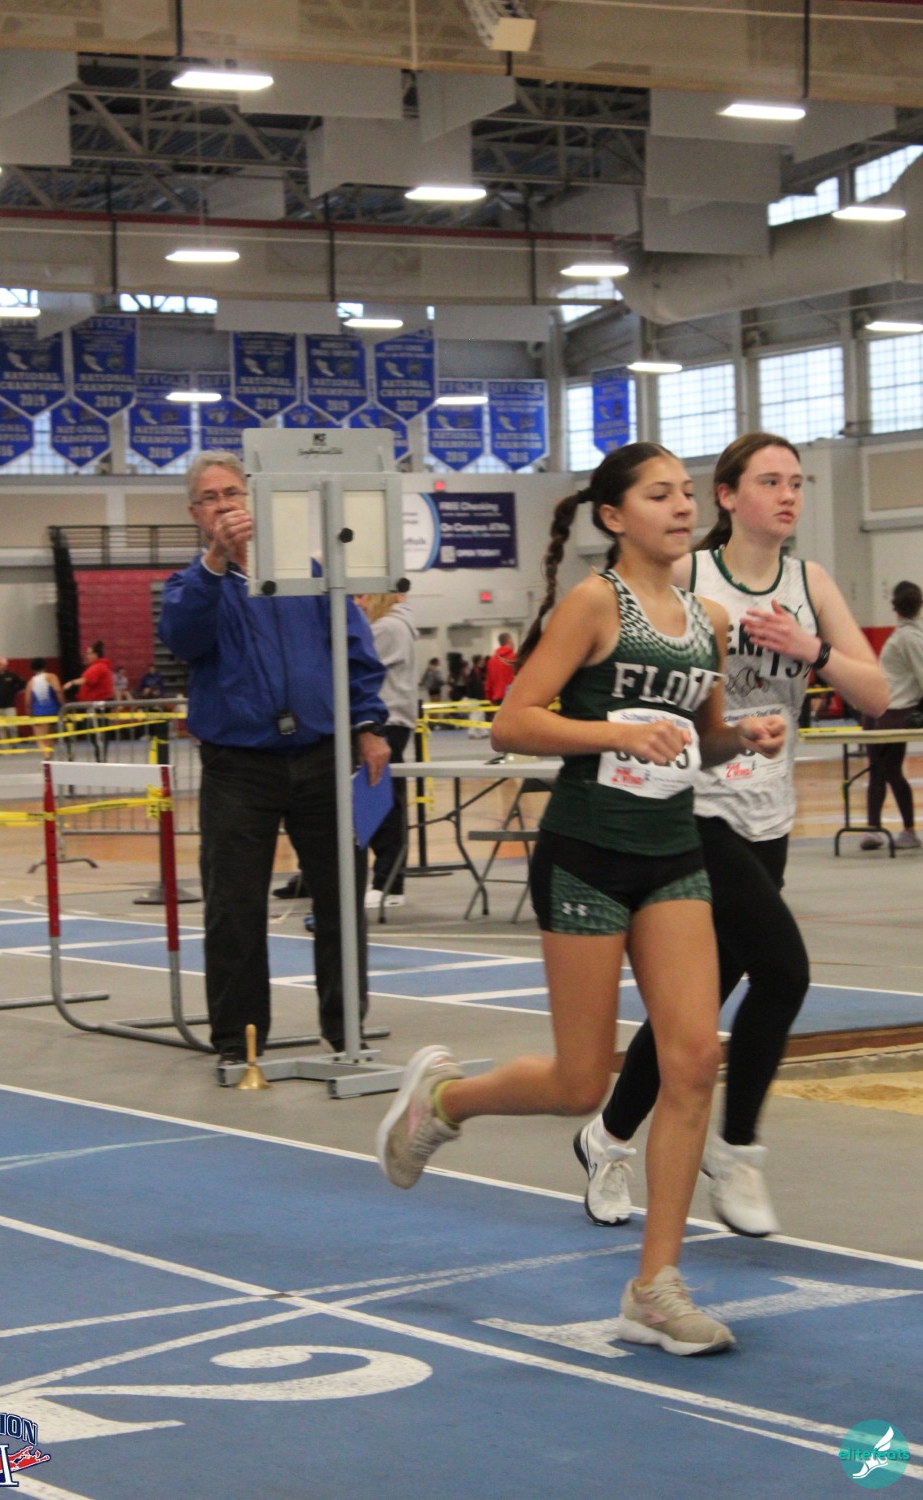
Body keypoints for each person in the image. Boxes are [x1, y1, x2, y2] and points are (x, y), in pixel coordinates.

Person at [376, 442, 786, 1356]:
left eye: (687, 493)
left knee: (692, 1062)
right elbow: (514, 720)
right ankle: (445, 1100)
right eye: (659, 494)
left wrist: (742, 737)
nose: (682, 507)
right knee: (579, 1083)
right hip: (587, 855)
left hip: (673, 855)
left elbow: (700, 739)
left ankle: (655, 1287)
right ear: (613, 515)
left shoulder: (710, 621)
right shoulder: (596, 603)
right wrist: (615, 733)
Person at [575, 432, 889, 1240]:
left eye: (797, 482)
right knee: (784, 971)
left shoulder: (809, 583)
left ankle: (608, 1135)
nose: (788, 496)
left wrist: (812, 650)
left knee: (701, 998)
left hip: (768, 816)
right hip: (693, 808)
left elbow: (878, 694)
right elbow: (625, 663)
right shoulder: (691, 575)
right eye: (770, 481)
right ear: (726, 495)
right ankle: (737, 1150)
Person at [159, 450, 390, 1077]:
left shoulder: (307, 576)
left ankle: (347, 1030)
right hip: (240, 768)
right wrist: (214, 564)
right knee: (234, 905)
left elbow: (353, 650)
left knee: (342, 898)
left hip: (321, 757)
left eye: (232, 492)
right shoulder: (191, 586)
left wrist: (369, 726)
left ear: (254, 498)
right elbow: (183, 638)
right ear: (195, 514)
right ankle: (240, 1042)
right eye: (210, 498)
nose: (224, 505)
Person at [354, 591, 418, 910]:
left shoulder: (386, 628)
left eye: (362, 596)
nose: (357, 603)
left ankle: (389, 883)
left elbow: (353, 665)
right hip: (388, 721)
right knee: (379, 802)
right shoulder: (394, 626)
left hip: (385, 724)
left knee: (384, 806)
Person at [861, 579, 923, 850]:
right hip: (879, 709)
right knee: (878, 770)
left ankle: (909, 831)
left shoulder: (910, 638)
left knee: (890, 771)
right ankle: (873, 828)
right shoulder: (903, 635)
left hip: (896, 712)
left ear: (895, 606)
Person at [64, 642, 115, 761]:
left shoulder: (98, 667)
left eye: (89, 653)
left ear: (96, 654)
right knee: (97, 735)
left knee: (97, 736)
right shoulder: (101, 666)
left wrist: (71, 683)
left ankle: (101, 760)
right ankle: (100, 759)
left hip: (96, 708)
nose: (86, 656)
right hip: (93, 706)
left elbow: (86, 679)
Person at [25, 657, 63, 757]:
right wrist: (63, 705)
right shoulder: (51, 677)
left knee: (40, 740)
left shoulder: (31, 682)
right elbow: (58, 691)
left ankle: (47, 758)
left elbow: (27, 702)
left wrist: (30, 715)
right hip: (53, 712)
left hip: (39, 713)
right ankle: (49, 756)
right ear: (45, 666)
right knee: (50, 738)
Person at [0, 656, 25, 741]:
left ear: (5, 665)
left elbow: (22, 683)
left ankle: (15, 743)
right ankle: (5, 746)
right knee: (2, 729)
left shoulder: (11, 675)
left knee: (12, 727)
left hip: (9, 707)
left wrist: (14, 690)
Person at [484, 631, 517, 707]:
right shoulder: (515, 658)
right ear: (509, 641)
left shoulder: (492, 660)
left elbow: (489, 682)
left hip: (497, 698)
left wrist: (489, 698)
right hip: (513, 697)